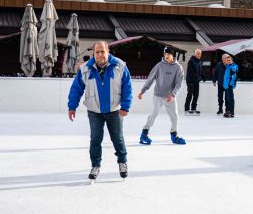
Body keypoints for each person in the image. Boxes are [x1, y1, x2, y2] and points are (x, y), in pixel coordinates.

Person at [67, 41, 132, 181]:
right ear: (93, 53)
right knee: (95, 139)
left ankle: (122, 162)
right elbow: (76, 89)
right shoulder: (85, 69)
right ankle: (95, 165)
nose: (100, 54)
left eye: (102, 51)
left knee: (118, 138)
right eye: (97, 52)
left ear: (107, 51)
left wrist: (125, 106)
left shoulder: (120, 66)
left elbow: (127, 86)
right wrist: (72, 106)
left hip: (114, 110)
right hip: (94, 111)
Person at [138, 46, 186, 145]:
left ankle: (174, 135)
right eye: (165, 54)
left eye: (168, 54)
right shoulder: (159, 65)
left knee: (175, 116)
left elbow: (179, 83)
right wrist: (143, 91)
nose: (166, 56)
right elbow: (150, 79)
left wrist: (173, 95)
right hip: (158, 95)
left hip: (170, 97)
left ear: (173, 55)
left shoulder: (178, 67)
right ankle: (144, 134)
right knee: (154, 114)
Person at [184, 49, 203, 115]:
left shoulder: (199, 62)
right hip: (191, 81)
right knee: (190, 94)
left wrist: (203, 76)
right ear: (195, 54)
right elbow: (192, 72)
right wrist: (199, 78)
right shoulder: (191, 61)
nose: (199, 55)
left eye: (200, 53)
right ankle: (187, 109)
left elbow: (200, 71)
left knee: (196, 95)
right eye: (197, 53)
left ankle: (193, 109)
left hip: (196, 81)